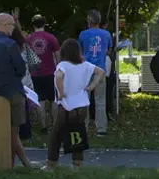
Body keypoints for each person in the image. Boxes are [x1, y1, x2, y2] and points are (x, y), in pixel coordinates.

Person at [45, 39, 105, 170]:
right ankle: (77, 165)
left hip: (66, 106)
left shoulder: (63, 65)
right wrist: (92, 86)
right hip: (82, 105)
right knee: (78, 134)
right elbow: (100, 71)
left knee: (56, 136)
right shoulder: (85, 65)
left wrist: (61, 93)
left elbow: (59, 77)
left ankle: (51, 164)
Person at [0, 13, 32, 168]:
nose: (13, 28)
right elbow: (21, 68)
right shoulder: (10, 45)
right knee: (13, 133)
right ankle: (24, 164)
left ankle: (8, 164)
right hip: (13, 91)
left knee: (0, 131)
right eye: (11, 25)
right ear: (3, 25)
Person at [78, 9, 112, 137]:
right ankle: (101, 128)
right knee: (100, 100)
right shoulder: (106, 34)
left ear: (89, 20)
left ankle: (84, 126)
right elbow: (108, 50)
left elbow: (80, 50)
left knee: (84, 99)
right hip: (101, 69)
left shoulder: (83, 34)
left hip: (86, 69)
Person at [27, 14, 60, 132]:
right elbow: (58, 56)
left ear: (33, 25)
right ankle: (55, 125)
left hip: (35, 73)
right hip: (51, 72)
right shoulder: (51, 38)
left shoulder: (29, 39)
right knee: (53, 99)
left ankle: (43, 127)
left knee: (39, 100)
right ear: (44, 24)